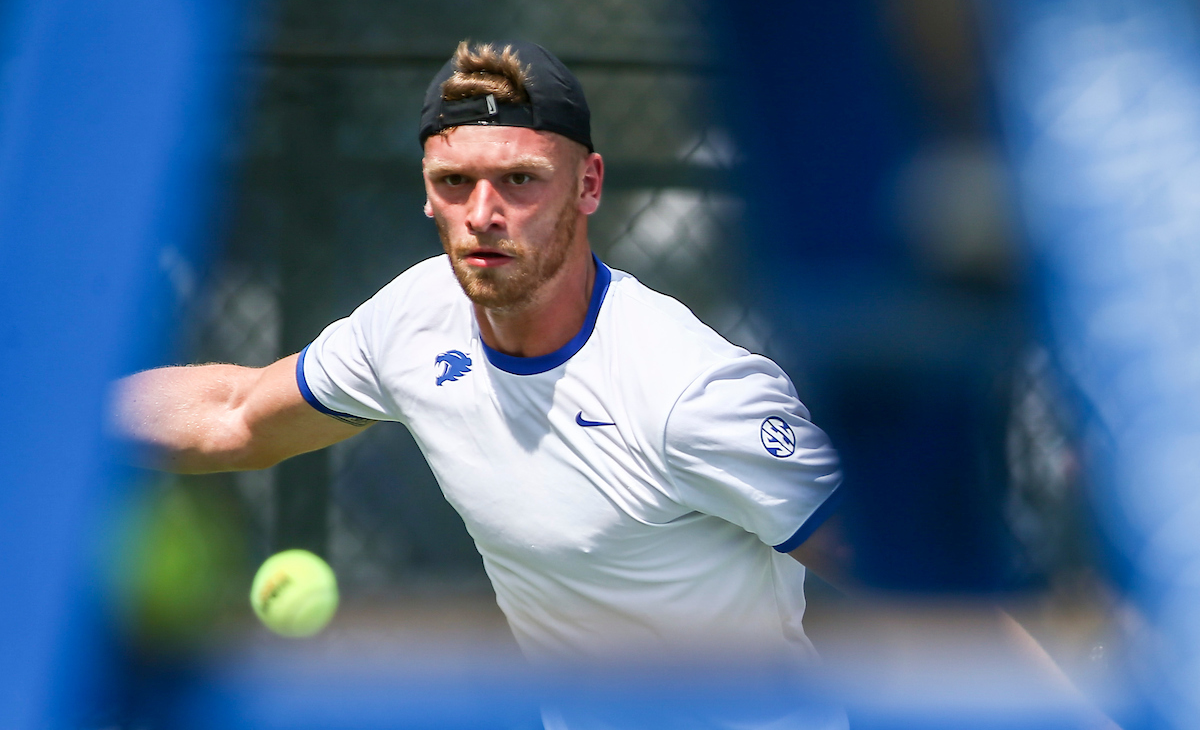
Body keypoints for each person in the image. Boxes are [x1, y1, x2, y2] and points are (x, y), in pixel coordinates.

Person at [114, 40, 852, 727]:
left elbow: (891, 571)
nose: (483, 214)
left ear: (588, 184)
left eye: (520, 180)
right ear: (426, 192)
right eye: (454, 182)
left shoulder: (692, 393)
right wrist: (57, 413)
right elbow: (235, 415)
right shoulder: (413, 318)